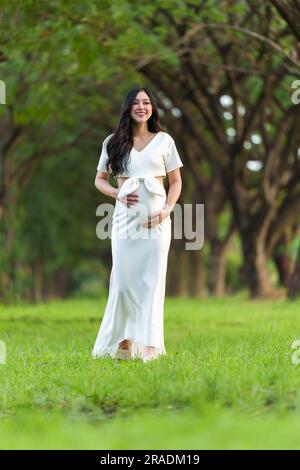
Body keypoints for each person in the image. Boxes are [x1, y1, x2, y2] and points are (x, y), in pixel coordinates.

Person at [92, 85, 183, 363]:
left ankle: (151, 345)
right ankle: (123, 340)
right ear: (128, 108)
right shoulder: (113, 142)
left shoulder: (165, 140)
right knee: (122, 281)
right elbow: (99, 180)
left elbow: (176, 182)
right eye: (136, 102)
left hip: (156, 221)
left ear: (152, 108)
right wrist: (117, 193)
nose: (141, 106)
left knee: (152, 281)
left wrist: (168, 209)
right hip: (123, 221)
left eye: (146, 102)